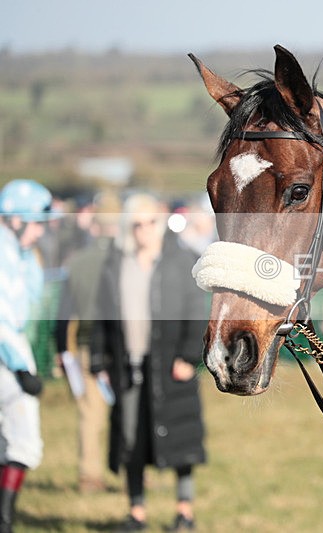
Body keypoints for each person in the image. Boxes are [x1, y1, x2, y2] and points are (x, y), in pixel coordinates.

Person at [91, 193, 207, 532]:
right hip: (128, 368)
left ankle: (184, 512)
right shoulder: (115, 264)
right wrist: (100, 359)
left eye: (150, 222)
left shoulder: (181, 260)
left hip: (172, 367)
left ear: (160, 223)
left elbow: (195, 313)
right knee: (132, 441)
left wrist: (188, 357)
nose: (144, 230)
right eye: (136, 224)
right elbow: (102, 316)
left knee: (182, 441)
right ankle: (136, 513)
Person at [55, 192, 120, 492]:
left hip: (83, 345)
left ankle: (88, 475)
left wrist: (60, 349)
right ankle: (130, 471)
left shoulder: (77, 262)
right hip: (120, 346)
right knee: (126, 411)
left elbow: (64, 311)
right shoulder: (128, 259)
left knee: (89, 415)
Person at [0, 179, 53, 533]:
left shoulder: (19, 254)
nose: (41, 232)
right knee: (24, 442)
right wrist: (20, 367)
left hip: (12, 353)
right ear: (17, 220)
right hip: (8, 359)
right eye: (37, 224)